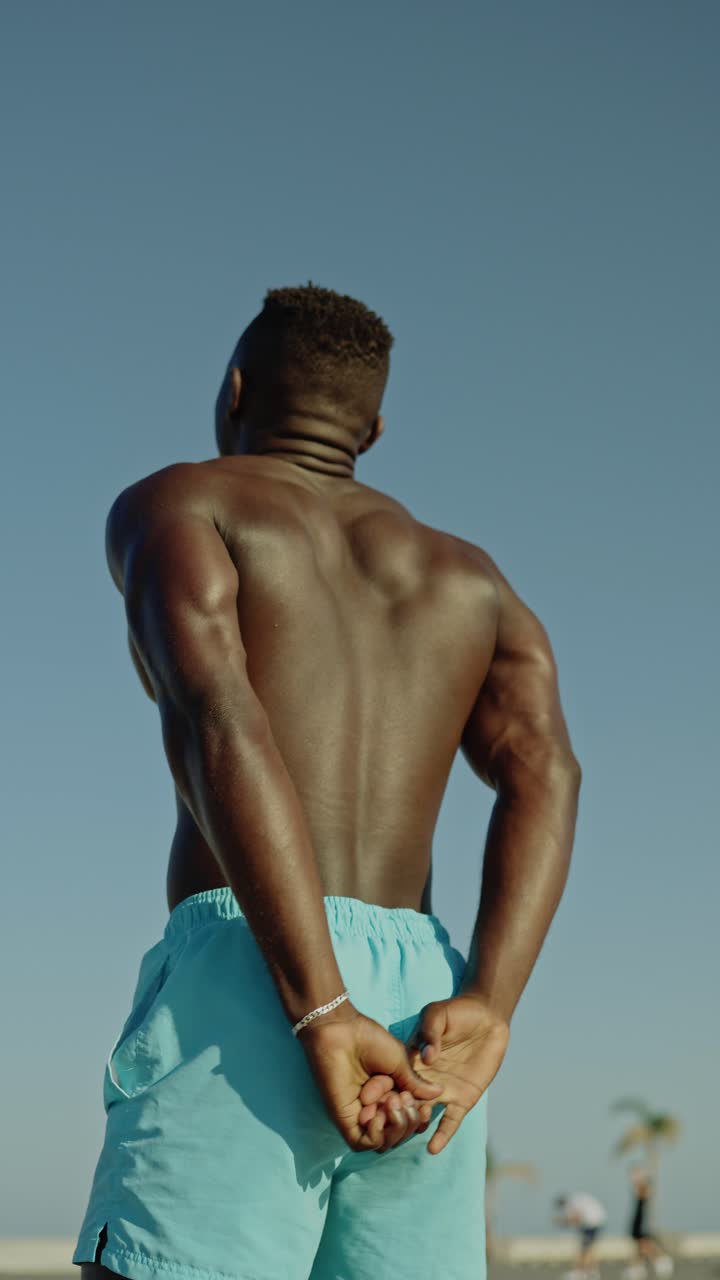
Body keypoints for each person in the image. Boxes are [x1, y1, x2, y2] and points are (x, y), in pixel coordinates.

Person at [72, 283, 581, 1280]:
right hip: (423, 1005)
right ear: (374, 430)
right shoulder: (472, 578)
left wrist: (318, 1006)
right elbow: (547, 769)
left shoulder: (182, 503)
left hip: (260, 956)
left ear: (235, 389)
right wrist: (489, 998)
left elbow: (223, 715)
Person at [623, 1167, 674, 1279]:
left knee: (644, 1244)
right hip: (637, 1219)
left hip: (640, 1220)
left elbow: (642, 1190)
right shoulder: (643, 1190)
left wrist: (638, 1178)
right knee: (640, 1245)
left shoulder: (644, 1190)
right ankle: (638, 1267)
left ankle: (659, 1261)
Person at [554, 1192, 607, 1280]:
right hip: (595, 1223)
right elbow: (577, 1219)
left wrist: (562, 1221)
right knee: (588, 1248)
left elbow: (577, 1218)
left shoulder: (572, 1203)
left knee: (585, 1249)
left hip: (592, 1224)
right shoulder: (576, 1199)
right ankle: (590, 1272)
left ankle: (581, 1272)